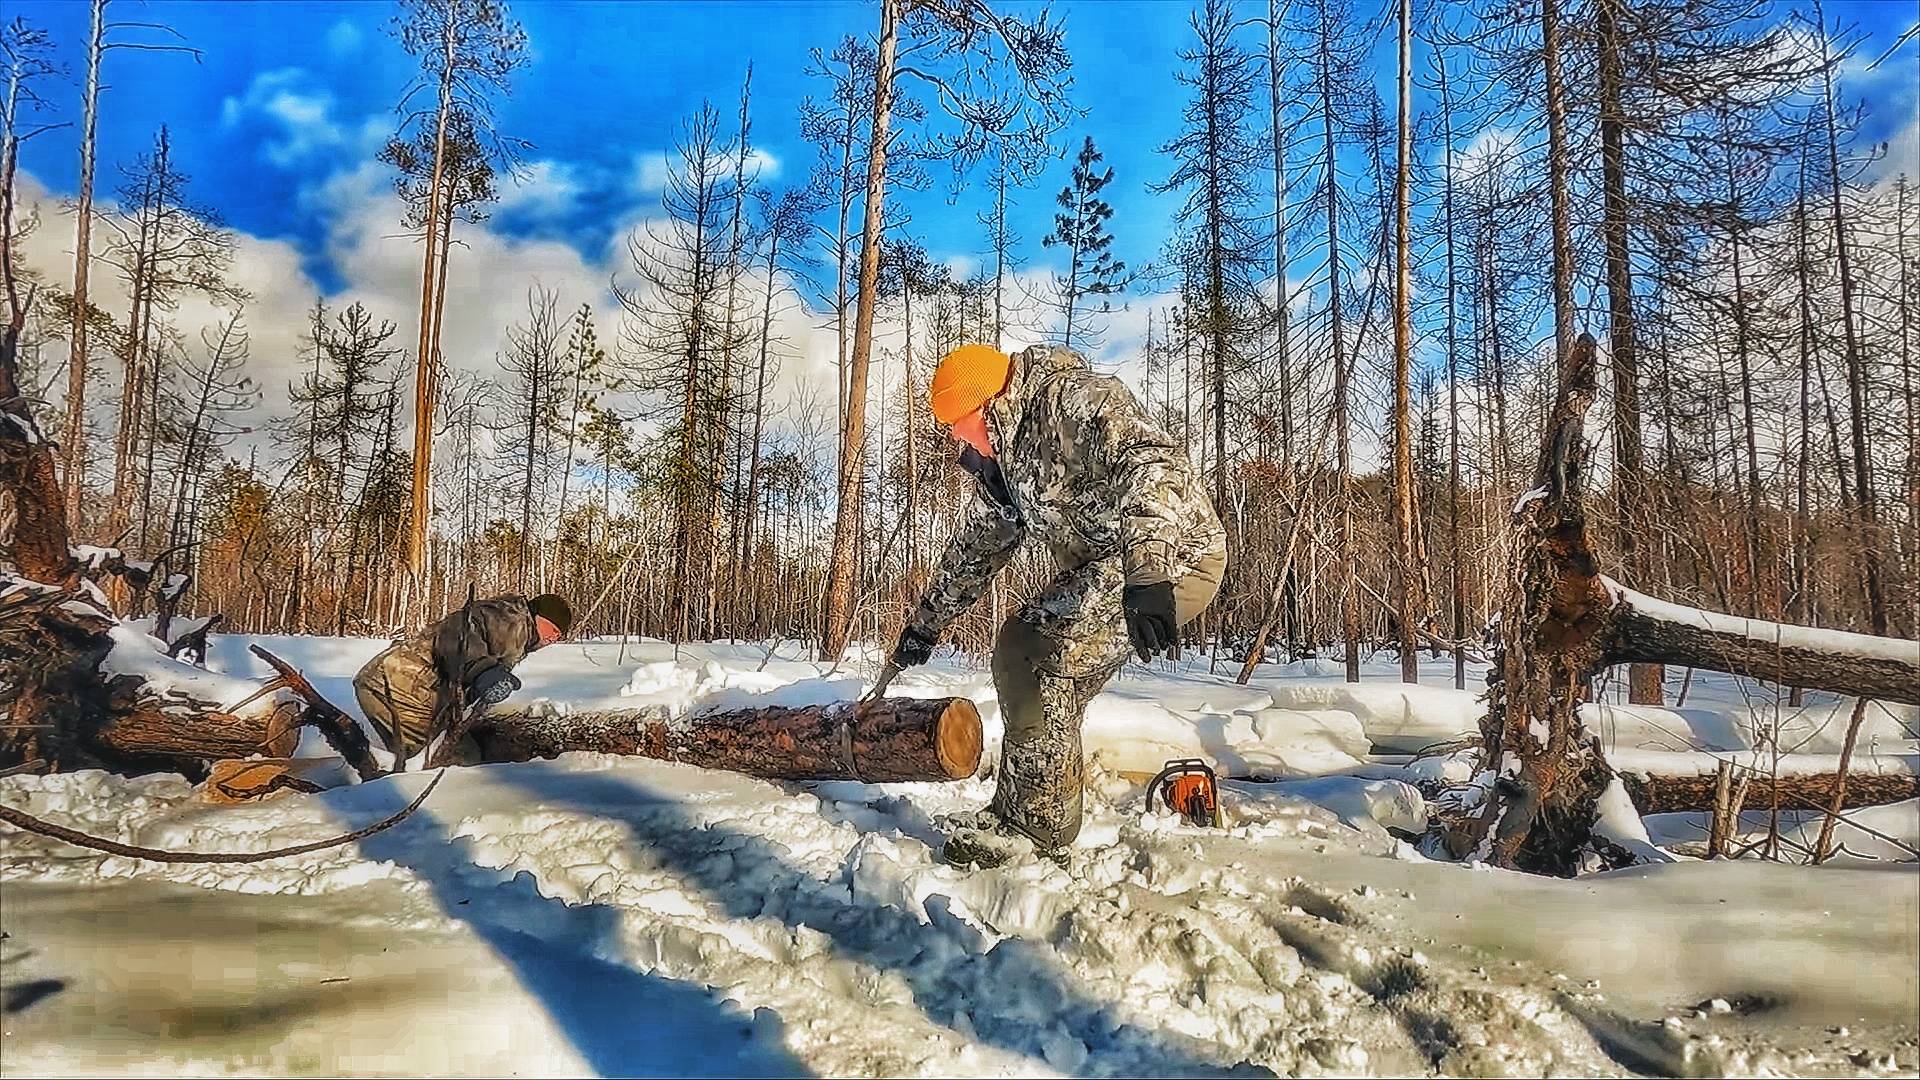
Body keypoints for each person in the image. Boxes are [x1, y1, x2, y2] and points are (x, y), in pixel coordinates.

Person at [886, 343, 1226, 868]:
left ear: (985, 407)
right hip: (1117, 568)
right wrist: (926, 623)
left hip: (1173, 556)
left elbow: (1155, 465)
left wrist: (1150, 569)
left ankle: (1037, 830)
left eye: (956, 423)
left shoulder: (1073, 400)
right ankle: (1022, 814)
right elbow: (978, 545)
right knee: (1046, 690)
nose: (955, 438)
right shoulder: (1007, 462)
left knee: (1027, 651)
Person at [353, 592, 573, 768]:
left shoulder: (518, 631)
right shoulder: (510, 618)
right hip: (397, 687)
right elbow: (457, 633)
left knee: (456, 754)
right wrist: (483, 672)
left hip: (405, 687)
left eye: (559, 636)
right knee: (456, 760)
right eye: (553, 629)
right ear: (538, 616)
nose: (553, 639)